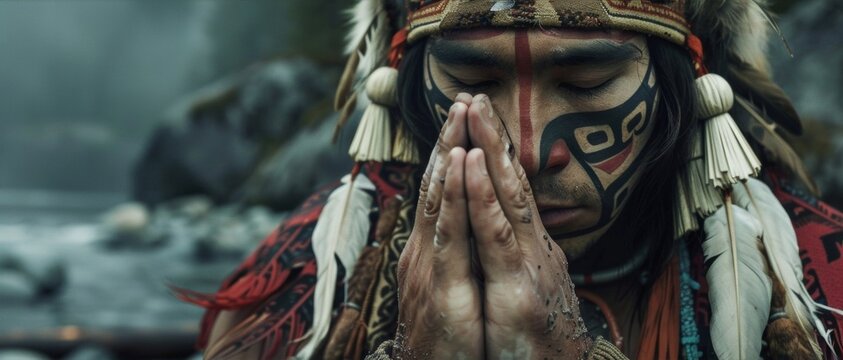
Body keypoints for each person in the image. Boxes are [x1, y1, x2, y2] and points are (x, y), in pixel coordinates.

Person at [175, 0, 843, 358]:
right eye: (471, 83)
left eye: (586, 81)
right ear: (405, 88)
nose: (527, 150)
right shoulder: (307, 280)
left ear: (687, 86)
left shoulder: (820, 286)